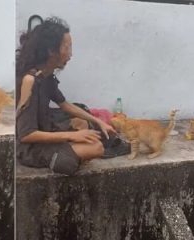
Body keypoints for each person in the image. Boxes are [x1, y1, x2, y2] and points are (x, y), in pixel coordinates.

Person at [16, 17, 128, 175]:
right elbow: (26, 135)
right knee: (96, 147)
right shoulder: (29, 81)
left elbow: (64, 105)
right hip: (30, 148)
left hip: (46, 126)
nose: (70, 54)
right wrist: (74, 136)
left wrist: (98, 121)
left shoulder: (46, 76)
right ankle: (60, 158)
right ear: (51, 50)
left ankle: (72, 152)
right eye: (67, 47)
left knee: (83, 117)